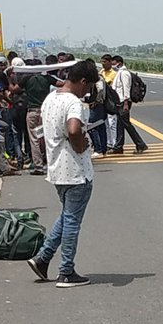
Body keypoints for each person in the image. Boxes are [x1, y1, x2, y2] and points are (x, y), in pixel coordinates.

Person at [28, 59, 99, 287]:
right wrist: (81, 145)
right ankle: (66, 271)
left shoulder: (51, 98)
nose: (87, 93)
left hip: (57, 168)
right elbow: (73, 129)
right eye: (87, 88)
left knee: (67, 215)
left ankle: (42, 258)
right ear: (82, 82)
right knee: (72, 222)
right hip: (75, 170)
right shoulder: (74, 103)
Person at [108, 55, 148, 154]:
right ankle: (118, 147)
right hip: (119, 102)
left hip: (123, 102)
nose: (113, 66)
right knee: (120, 125)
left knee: (126, 124)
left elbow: (126, 89)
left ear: (119, 63)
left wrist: (126, 103)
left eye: (114, 64)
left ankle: (140, 144)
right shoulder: (120, 73)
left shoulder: (124, 74)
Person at [100, 54, 118, 150]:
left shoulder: (114, 74)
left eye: (105, 62)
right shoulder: (101, 72)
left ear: (110, 62)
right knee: (105, 123)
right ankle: (108, 143)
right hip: (102, 101)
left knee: (112, 123)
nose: (103, 64)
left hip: (110, 101)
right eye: (102, 62)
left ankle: (114, 143)